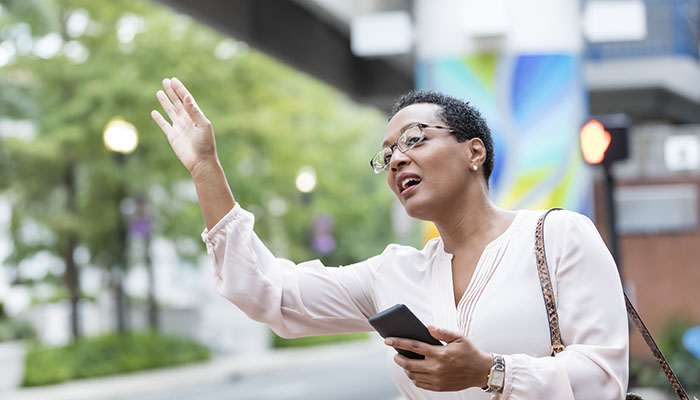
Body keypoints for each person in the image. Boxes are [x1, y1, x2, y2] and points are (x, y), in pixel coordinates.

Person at [151, 77, 629, 399]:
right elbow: (266, 292)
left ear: (474, 151)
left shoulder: (558, 235)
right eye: (386, 155)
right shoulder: (394, 272)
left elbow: (607, 379)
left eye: (415, 139)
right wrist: (205, 169)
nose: (397, 159)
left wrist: (491, 372)